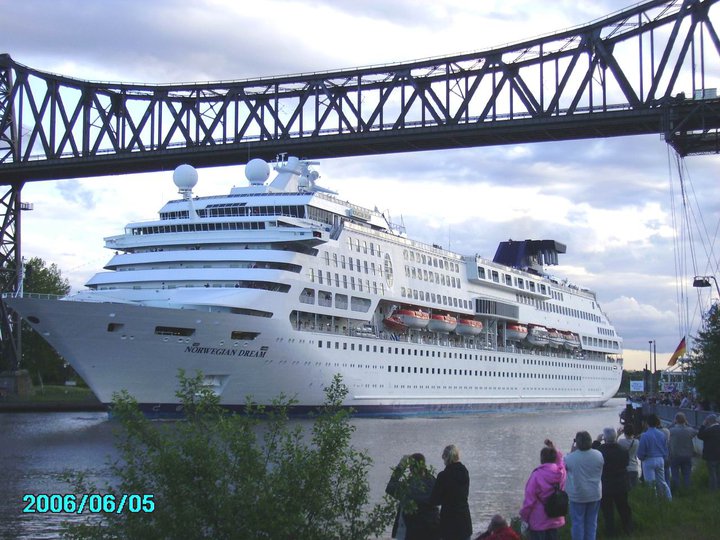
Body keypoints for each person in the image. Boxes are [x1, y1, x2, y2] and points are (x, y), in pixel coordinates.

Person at [385, 453, 441, 540]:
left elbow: (390, 487)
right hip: (434, 530)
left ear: (410, 468)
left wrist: (402, 465)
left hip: (413, 532)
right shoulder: (433, 482)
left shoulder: (408, 486)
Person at [519, 439, 566, 540]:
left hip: (538, 521)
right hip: (555, 517)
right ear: (554, 458)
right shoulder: (561, 473)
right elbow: (560, 460)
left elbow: (529, 501)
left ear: (541, 459)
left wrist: (524, 518)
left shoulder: (536, 475)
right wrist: (553, 447)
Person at [564, 431, 603, 540]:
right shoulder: (598, 455)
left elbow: (563, 467)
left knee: (577, 523)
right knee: (592, 522)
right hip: (595, 493)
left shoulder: (570, 458)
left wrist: (571, 452)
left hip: (578, 495)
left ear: (577, 443)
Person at [595, 427, 633, 536]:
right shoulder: (623, 450)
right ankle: (628, 530)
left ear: (604, 438)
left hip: (605, 485)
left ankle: (610, 532)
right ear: (615, 437)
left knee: (608, 511)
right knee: (624, 508)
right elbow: (626, 464)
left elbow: (591, 453)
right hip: (621, 484)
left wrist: (597, 441)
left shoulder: (599, 451)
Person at [430, 444, 473, 540]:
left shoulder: (443, 476)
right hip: (464, 521)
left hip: (449, 522)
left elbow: (434, 500)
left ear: (446, 457)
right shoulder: (464, 472)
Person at [637, 414, 672, 500]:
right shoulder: (662, 434)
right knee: (662, 482)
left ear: (647, 423)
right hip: (660, 459)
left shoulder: (644, 435)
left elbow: (641, 451)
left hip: (648, 460)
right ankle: (668, 498)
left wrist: (641, 458)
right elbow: (665, 448)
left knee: (650, 483)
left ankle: (653, 501)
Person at [668, 412, 698, 491]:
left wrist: (672, 424)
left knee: (675, 474)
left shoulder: (672, 430)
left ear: (676, 420)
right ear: (685, 420)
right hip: (687, 455)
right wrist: (687, 424)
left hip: (675, 455)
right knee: (687, 474)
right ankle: (687, 490)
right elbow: (696, 431)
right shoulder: (689, 430)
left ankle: (677, 490)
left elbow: (666, 431)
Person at [698, 414, 720, 490]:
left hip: (711, 455)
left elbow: (700, 435)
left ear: (709, 421)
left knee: (712, 473)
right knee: (718, 472)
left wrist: (703, 425)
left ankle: (713, 489)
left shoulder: (709, 430)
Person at [617, 424, 640, 489]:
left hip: (626, 469)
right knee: (635, 489)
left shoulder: (621, 442)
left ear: (624, 432)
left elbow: (614, 446)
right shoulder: (637, 442)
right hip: (635, 467)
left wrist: (618, 434)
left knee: (627, 489)